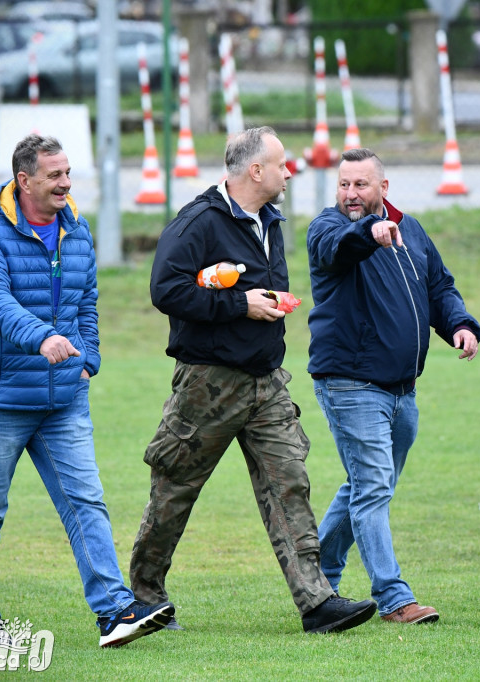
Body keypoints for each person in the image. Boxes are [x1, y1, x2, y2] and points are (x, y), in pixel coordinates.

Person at [129, 127, 376, 634]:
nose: (289, 172)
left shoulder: (270, 220)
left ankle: (317, 603)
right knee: (175, 489)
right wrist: (239, 303)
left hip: (267, 381)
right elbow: (166, 289)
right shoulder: (197, 222)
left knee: (290, 485)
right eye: (281, 164)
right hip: (209, 385)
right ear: (255, 171)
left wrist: (270, 304)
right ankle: (144, 596)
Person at [0, 134, 174, 649]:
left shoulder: (76, 229)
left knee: (87, 502)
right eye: (54, 175)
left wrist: (90, 358)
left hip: (64, 400)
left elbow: (87, 303)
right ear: (24, 180)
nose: (66, 183)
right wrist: (41, 336)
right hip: (0, 399)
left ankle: (114, 612)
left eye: (68, 173)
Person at [306, 148, 480, 625]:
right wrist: (369, 231)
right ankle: (393, 597)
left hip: (403, 389)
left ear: (384, 188)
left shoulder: (412, 230)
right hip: (351, 383)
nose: (350, 194)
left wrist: (460, 325)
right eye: (343, 184)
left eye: (360, 185)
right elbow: (338, 248)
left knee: (367, 487)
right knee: (373, 488)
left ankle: (317, 576)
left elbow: (439, 287)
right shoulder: (328, 227)